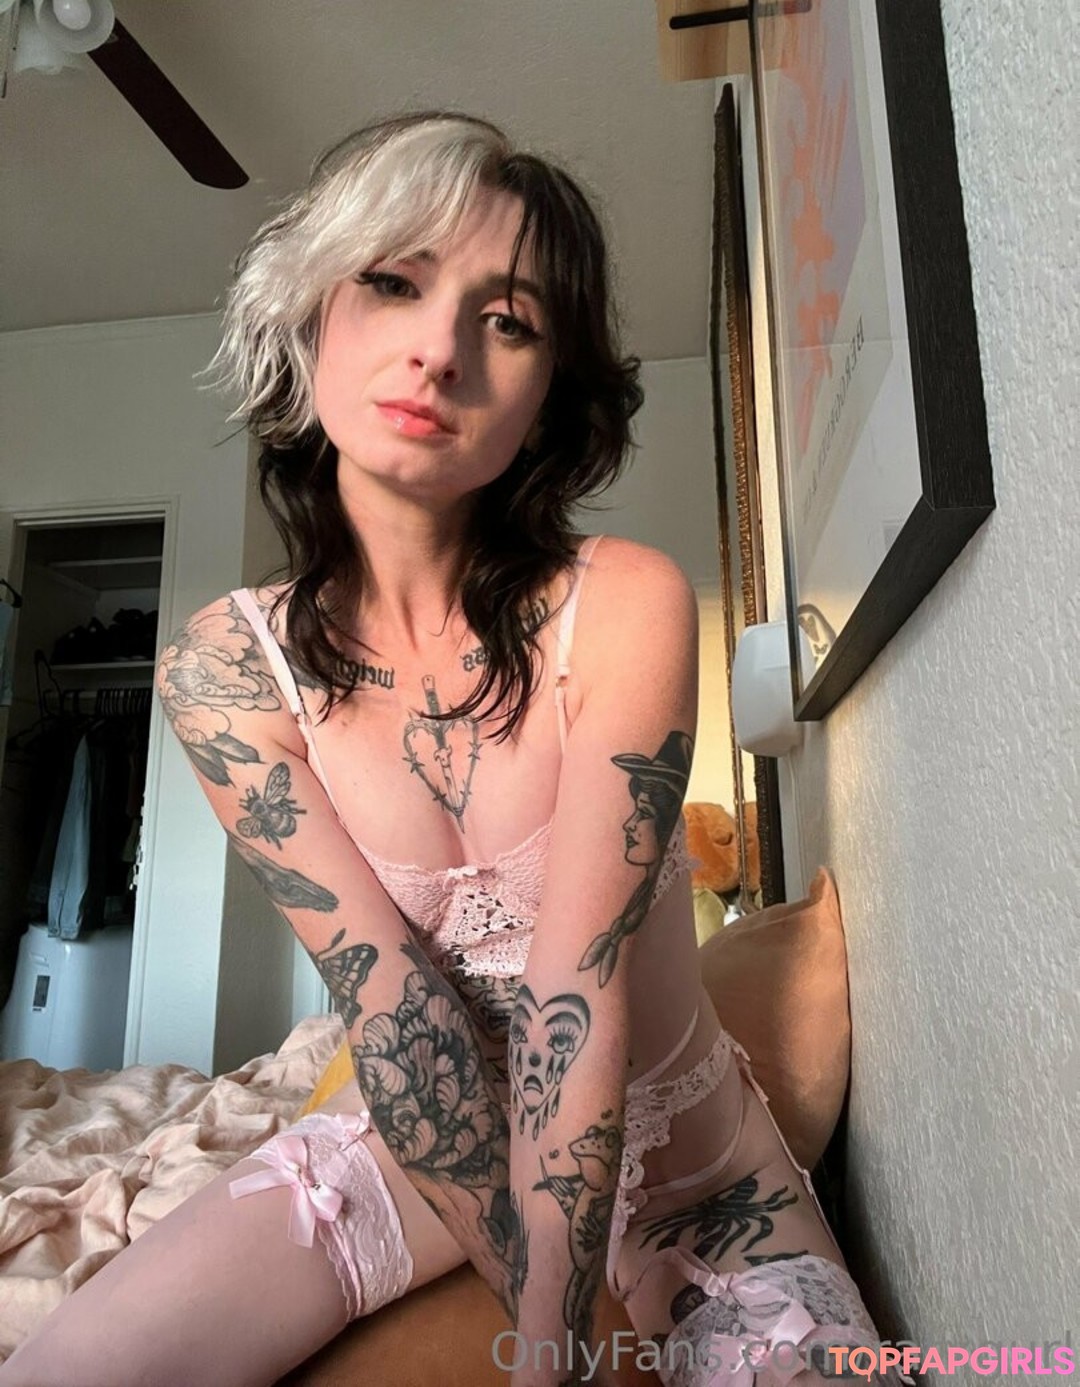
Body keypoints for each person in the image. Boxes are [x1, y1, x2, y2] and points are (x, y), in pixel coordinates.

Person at [1, 111, 898, 1387]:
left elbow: (575, 997)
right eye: (393, 281)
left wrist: (553, 1349)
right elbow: (398, 1014)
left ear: (546, 396)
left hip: (697, 1180)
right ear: (311, 318)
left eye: (508, 319)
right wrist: (542, 1309)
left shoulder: (624, 603)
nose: (439, 350)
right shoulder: (226, 669)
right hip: (423, 1150)